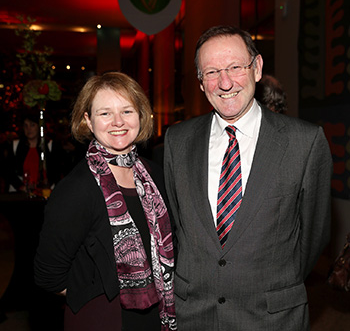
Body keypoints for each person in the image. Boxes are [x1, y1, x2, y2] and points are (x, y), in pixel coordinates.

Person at [163, 25, 333, 330]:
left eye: (235, 68)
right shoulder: (178, 141)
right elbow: (177, 227)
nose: (225, 82)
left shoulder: (304, 142)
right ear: (201, 83)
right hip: (195, 317)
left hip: (272, 318)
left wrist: (275, 285)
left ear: (256, 68)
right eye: (212, 72)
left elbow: (314, 235)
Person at [34, 72, 177, 331]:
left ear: (141, 116)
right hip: (103, 319)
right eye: (104, 113)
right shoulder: (77, 189)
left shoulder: (155, 174)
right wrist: (95, 295)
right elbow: (48, 275)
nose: (118, 122)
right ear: (88, 121)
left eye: (127, 111)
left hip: (157, 316)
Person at [3, 110, 62, 193]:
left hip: (45, 192)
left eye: (32, 125)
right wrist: (21, 186)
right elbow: (8, 171)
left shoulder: (50, 146)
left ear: (39, 127)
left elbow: (56, 171)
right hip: (20, 193)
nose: (28, 129)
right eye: (25, 126)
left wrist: (46, 184)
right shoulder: (15, 146)